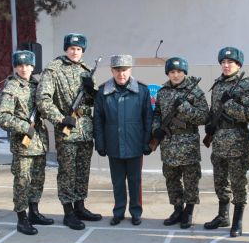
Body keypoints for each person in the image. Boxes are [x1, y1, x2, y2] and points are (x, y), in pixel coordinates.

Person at [36, 33, 102, 231]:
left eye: (79, 49)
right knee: (67, 172)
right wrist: (60, 119)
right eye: (72, 48)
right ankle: (68, 212)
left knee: (82, 170)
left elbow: (92, 102)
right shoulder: (54, 69)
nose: (75, 52)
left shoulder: (87, 70)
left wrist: (92, 93)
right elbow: (43, 100)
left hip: (85, 129)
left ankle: (80, 206)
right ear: (66, 49)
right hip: (66, 130)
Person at [0, 50, 54, 236]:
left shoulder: (38, 85)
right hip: (23, 145)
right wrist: (23, 126)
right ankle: (22, 219)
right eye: (20, 65)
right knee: (22, 182)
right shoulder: (11, 88)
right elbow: (2, 116)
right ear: (15, 67)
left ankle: (34, 212)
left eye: (27, 65)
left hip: (39, 143)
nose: (24, 69)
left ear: (32, 66)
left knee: (37, 180)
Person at [203, 47, 249, 236]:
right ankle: (223, 216)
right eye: (223, 62)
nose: (226, 66)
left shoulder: (245, 85)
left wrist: (230, 104)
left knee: (238, 183)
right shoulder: (218, 85)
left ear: (238, 65)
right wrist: (210, 125)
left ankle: (237, 221)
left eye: (230, 63)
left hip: (237, 141)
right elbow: (213, 110)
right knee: (220, 181)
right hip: (219, 140)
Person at [93, 55, 153, 226]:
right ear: (112, 71)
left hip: (135, 144)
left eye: (124, 70)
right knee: (117, 181)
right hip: (113, 144)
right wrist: (100, 142)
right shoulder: (103, 91)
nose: (121, 74)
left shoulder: (142, 90)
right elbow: (98, 119)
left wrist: (146, 142)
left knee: (135, 181)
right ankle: (118, 212)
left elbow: (148, 118)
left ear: (130, 70)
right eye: (117, 70)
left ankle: (136, 212)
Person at [151, 57, 209, 229]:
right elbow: (157, 114)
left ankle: (188, 211)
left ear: (185, 72)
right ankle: (177, 209)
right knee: (171, 178)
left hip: (188, 143)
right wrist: (157, 129)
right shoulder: (162, 92)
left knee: (191, 179)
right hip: (168, 143)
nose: (176, 75)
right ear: (168, 73)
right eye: (172, 72)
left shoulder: (195, 92)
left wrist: (185, 108)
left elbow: (204, 117)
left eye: (179, 72)